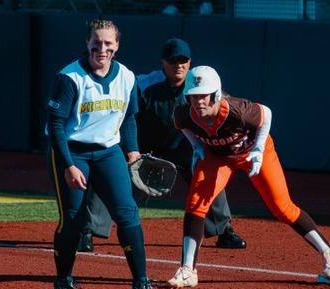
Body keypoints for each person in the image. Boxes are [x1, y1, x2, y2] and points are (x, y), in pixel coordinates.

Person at [167, 66, 330, 288]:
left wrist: (258, 149)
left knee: (282, 207)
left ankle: (328, 250)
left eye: (204, 95)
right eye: (193, 96)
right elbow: (182, 126)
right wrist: (197, 147)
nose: (198, 101)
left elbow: (266, 114)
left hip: (252, 153)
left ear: (216, 94)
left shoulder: (236, 111)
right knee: (195, 203)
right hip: (218, 157)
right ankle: (188, 270)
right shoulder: (184, 114)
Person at [78, 37, 247, 252]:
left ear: (190, 62)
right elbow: (123, 114)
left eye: (183, 60)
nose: (178, 65)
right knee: (108, 172)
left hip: (183, 148)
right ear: (163, 62)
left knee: (208, 171)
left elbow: (224, 106)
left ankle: (223, 231)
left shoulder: (199, 86)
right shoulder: (144, 85)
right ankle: (87, 231)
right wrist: (132, 151)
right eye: (173, 60)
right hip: (144, 148)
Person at [45, 19, 160, 289]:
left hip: (109, 151)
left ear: (117, 45)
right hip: (72, 151)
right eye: (96, 42)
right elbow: (56, 125)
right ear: (87, 43)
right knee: (73, 218)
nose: (102, 48)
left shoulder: (127, 77)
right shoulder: (70, 78)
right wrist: (69, 166)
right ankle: (62, 283)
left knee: (128, 214)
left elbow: (129, 118)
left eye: (109, 43)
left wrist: (132, 150)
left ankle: (140, 284)